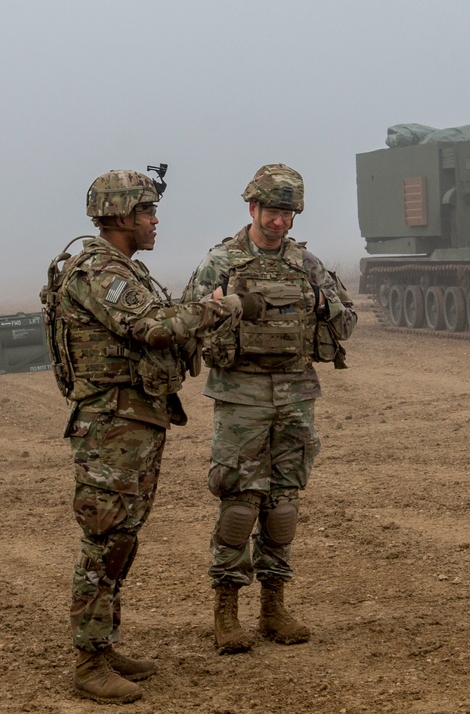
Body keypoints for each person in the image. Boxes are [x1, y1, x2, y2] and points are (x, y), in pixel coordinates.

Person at [41, 167, 265, 703]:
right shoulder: (100, 272)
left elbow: (162, 321)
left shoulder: (124, 270)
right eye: (146, 213)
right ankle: (89, 661)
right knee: (104, 541)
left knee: (122, 538)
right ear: (120, 216)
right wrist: (223, 306)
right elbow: (154, 327)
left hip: (133, 420)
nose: (155, 221)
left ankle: (104, 645)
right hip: (111, 425)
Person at [181, 163, 356, 655]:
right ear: (252, 207)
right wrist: (224, 307)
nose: (279, 222)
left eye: (287, 213)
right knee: (239, 501)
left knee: (282, 504)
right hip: (241, 395)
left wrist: (327, 306)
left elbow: (346, 325)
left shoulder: (308, 265)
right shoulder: (222, 262)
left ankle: (274, 607)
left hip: (296, 395)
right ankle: (226, 612)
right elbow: (187, 321)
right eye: (272, 211)